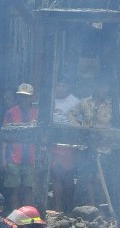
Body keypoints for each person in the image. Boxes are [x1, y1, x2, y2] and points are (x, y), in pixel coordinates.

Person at [68, 78, 116, 209]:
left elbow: (117, 124)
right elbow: (70, 114)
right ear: (96, 87)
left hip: (104, 147)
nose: (104, 90)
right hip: (86, 147)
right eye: (101, 86)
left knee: (100, 179)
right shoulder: (84, 102)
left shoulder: (112, 105)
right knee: (88, 177)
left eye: (106, 87)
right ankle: (92, 206)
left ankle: (101, 206)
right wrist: (80, 129)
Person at [2, 83, 39, 207]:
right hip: (14, 158)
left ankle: (28, 218)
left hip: (32, 159)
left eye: (27, 96)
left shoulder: (38, 114)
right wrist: (3, 159)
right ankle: (14, 217)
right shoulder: (10, 113)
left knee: (30, 189)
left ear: (32, 97)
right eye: (21, 96)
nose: (24, 99)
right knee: (15, 190)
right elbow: (5, 137)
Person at [49, 76, 80, 211]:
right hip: (53, 144)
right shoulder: (49, 100)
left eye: (63, 85)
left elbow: (79, 123)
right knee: (55, 175)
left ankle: (69, 206)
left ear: (68, 87)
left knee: (68, 178)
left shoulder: (75, 102)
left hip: (68, 145)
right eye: (58, 85)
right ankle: (57, 207)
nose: (60, 88)